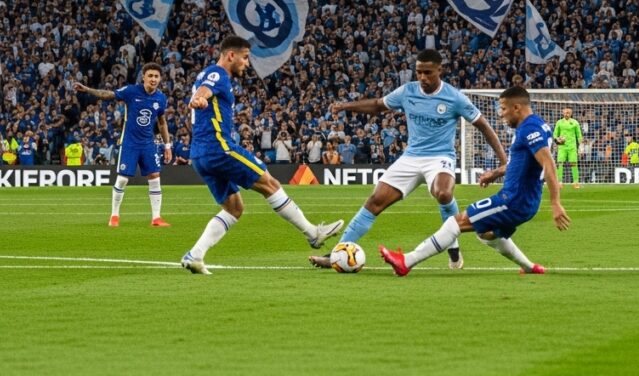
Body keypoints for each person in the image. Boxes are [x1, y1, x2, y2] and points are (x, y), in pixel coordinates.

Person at [308, 49, 507, 271]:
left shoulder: (454, 97)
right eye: (419, 72)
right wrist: (345, 106)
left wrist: (503, 162)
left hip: (440, 157)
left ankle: (453, 248)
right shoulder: (407, 91)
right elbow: (377, 105)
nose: (422, 77)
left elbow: (484, 127)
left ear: (439, 70)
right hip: (411, 157)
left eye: (428, 73)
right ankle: (336, 253)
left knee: (443, 193)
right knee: (375, 201)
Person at [181, 36, 343, 274]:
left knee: (234, 208)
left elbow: (203, 93)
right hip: (219, 148)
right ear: (231, 55)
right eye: (245, 58)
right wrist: (199, 99)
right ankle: (313, 234)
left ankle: (195, 255)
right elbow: (205, 91)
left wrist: (200, 99)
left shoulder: (208, 75)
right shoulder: (217, 74)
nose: (247, 64)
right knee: (270, 183)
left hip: (200, 154)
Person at [380, 85, 571, 276]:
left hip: (513, 200)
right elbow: (524, 163)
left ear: (517, 108)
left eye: (504, 109)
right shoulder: (538, 125)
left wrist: (555, 202)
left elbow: (548, 163)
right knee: (486, 233)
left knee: (456, 222)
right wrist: (496, 173)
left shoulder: (529, 128)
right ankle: (530, 267)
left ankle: (406, 261)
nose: (501, 114)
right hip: (525, 201)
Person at [75, 62, 173, 227]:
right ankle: (114, 216)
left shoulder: (161, 98)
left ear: (160, 78)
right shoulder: (131, 91)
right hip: (130, 143)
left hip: (148, 144)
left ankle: (156, 218)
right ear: (143, 77)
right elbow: (108, 94)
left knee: (155, 178)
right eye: (150, 76)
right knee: (122, 179)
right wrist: (88, 89)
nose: (153, 79)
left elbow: (162, 123)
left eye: (156, 76)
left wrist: (167, 145)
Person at [554, 107, 583, 189]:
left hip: (572, 147)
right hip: (562, 147)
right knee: (560, 164)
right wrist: (557, 140)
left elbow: (579, 135)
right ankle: (559, 182)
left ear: (571, 113)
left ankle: (575, 182)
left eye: (568, 112)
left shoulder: (575, 123)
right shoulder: (559, 122)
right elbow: (555, 134)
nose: (567, 114)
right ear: (563, 113)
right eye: (565, 112)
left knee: (574, 164)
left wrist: (581, 147)